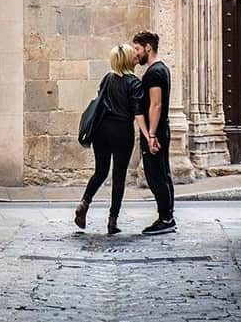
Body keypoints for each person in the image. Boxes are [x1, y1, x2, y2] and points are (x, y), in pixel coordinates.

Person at [74, 44, 151, 235]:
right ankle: (112, 221)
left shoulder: (107, 78)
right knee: (119, 176)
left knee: (100, 171)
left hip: (101, 130)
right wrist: (148, 135)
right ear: (126, 59)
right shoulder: (134, 83)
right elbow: (138, 111)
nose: (136, 56)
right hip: (121, 131)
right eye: (132, 55)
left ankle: (84, 203)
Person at [133, 30, 176, 234]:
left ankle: (166, 219)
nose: (136, 53)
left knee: (156, 175)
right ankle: (167, 216)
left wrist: (151, 135)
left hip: (156, 131)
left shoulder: (155, 72)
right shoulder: (161, 69)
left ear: (148, 47)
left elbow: (156, 104)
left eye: (138, 49)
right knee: (162, 173)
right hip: (159, 129)